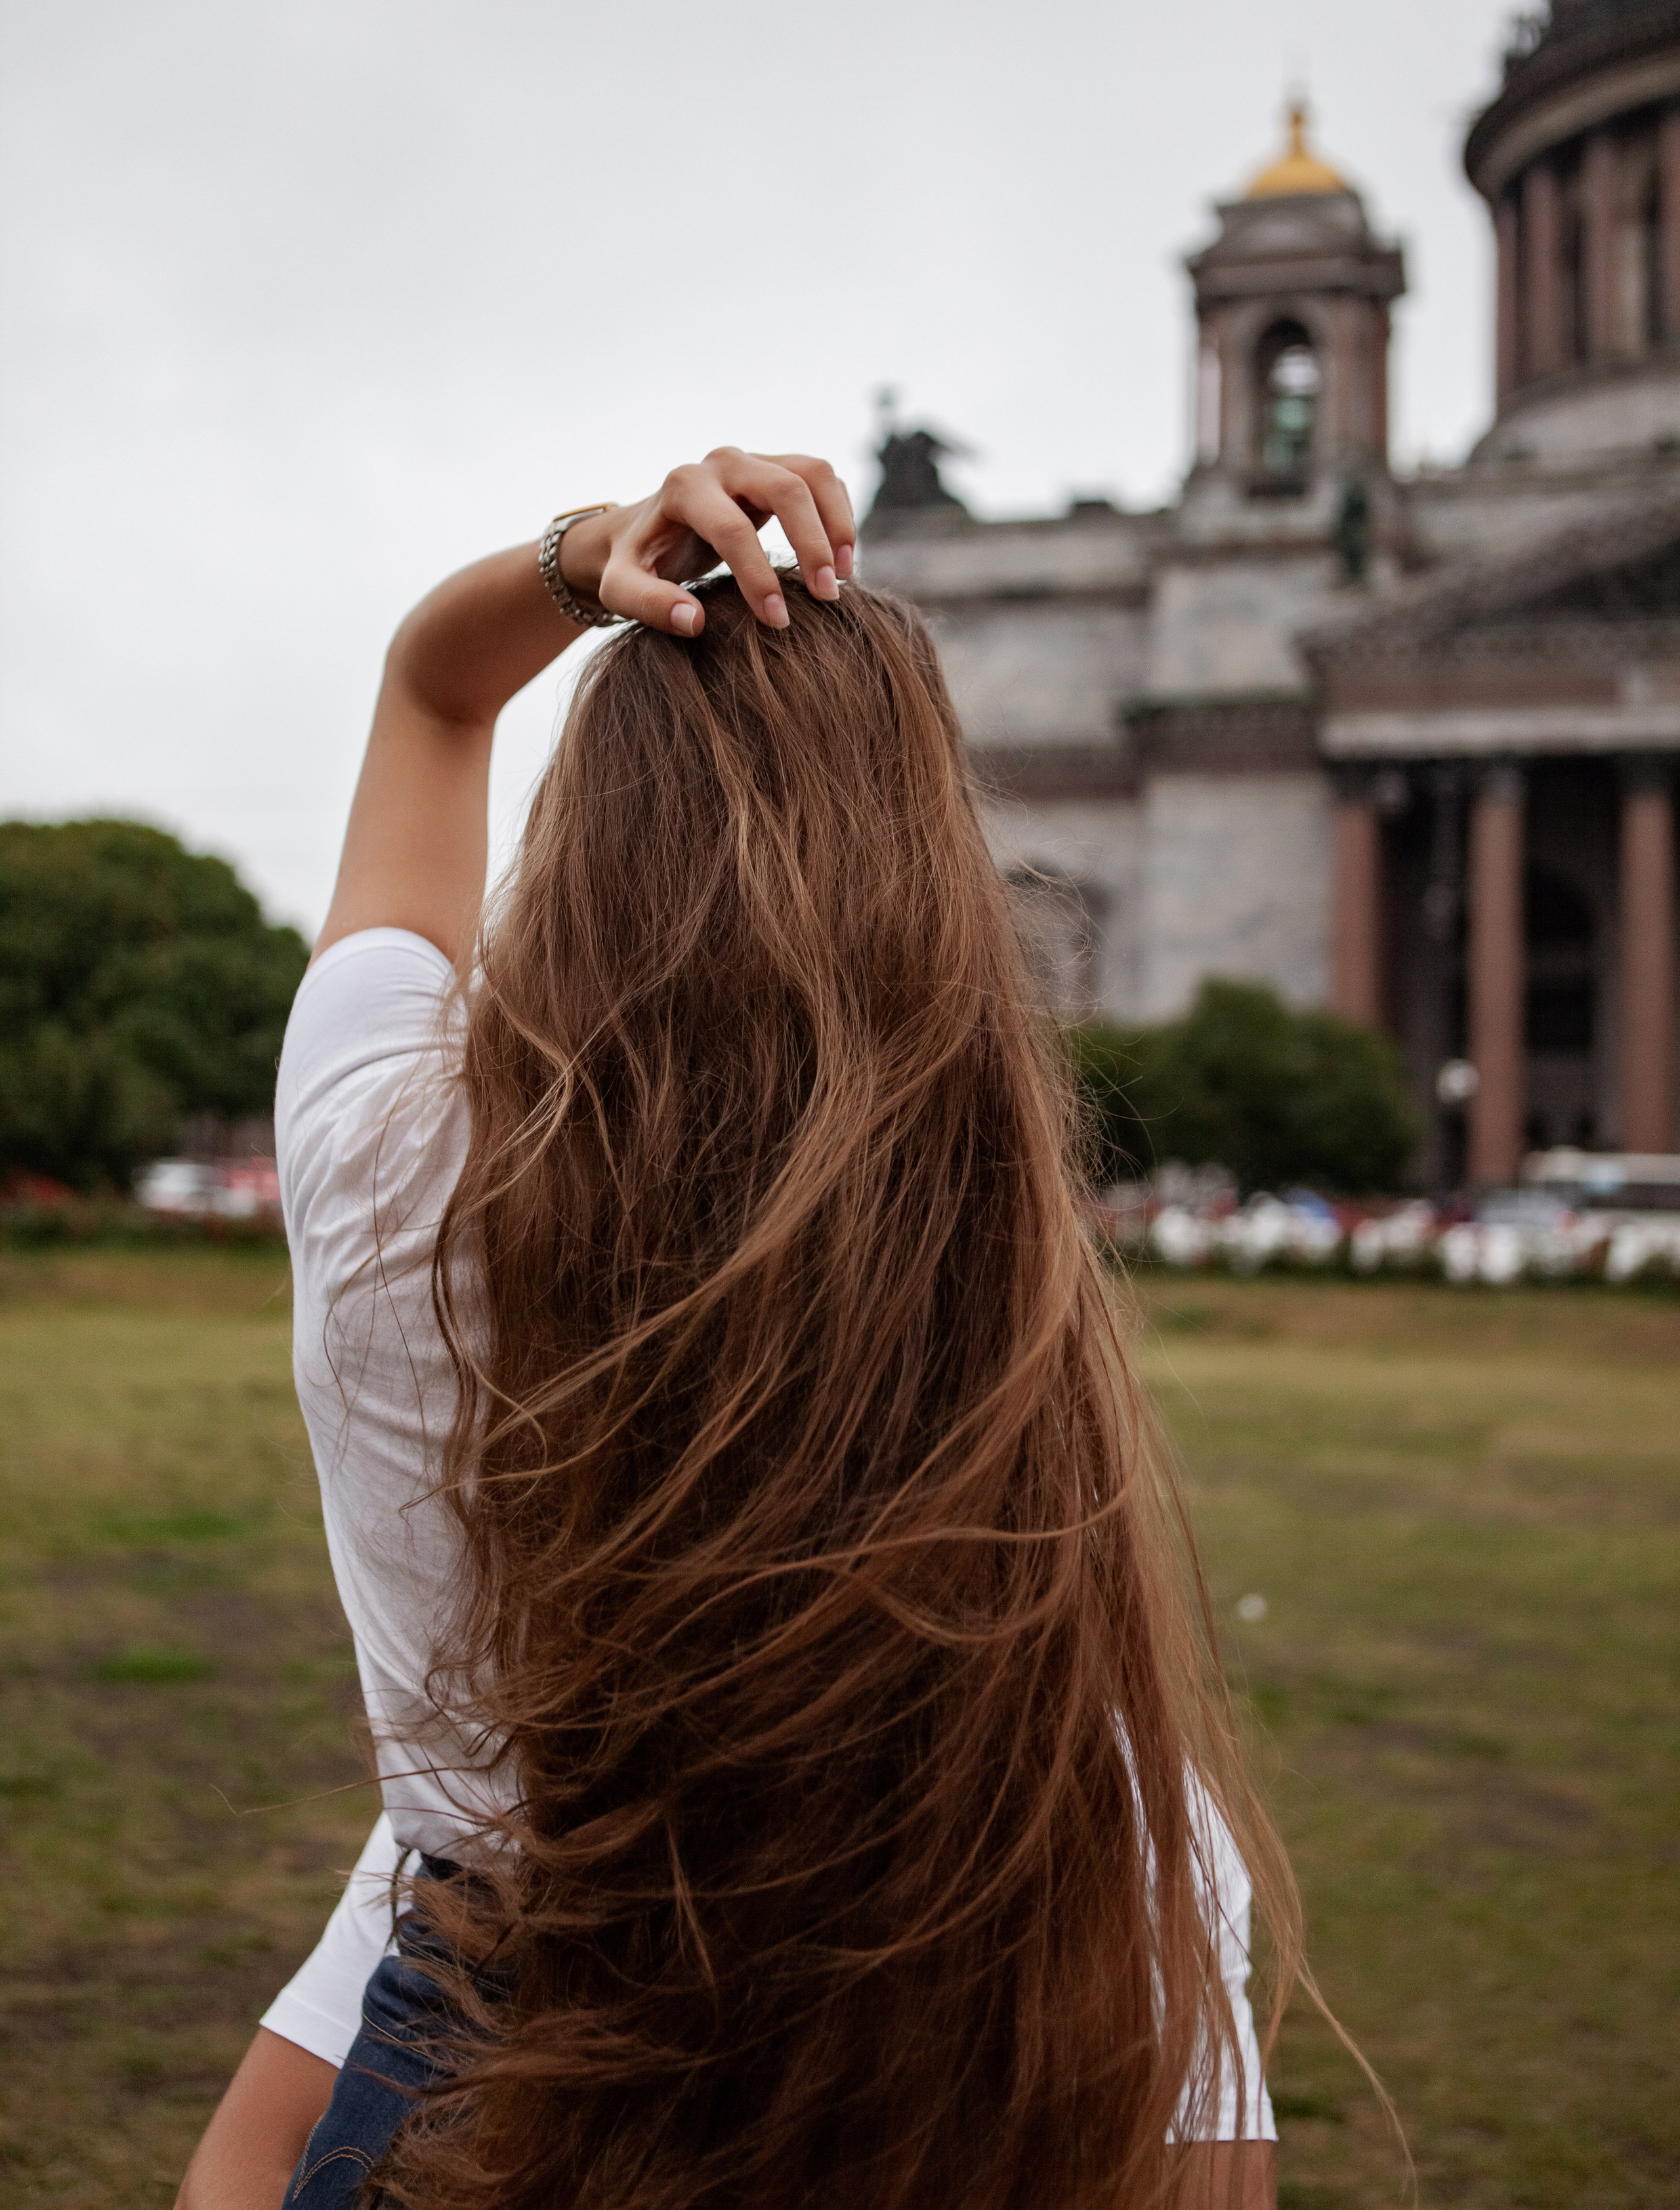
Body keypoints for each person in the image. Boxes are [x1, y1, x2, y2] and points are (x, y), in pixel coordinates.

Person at [176, 448, 1295, 2210]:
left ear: (584, 845)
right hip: (932, 2075)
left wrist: (579, 561)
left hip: (465, 2037)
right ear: (940, 888)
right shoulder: (989, 1356)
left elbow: (427, 688)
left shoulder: (380, 1167)